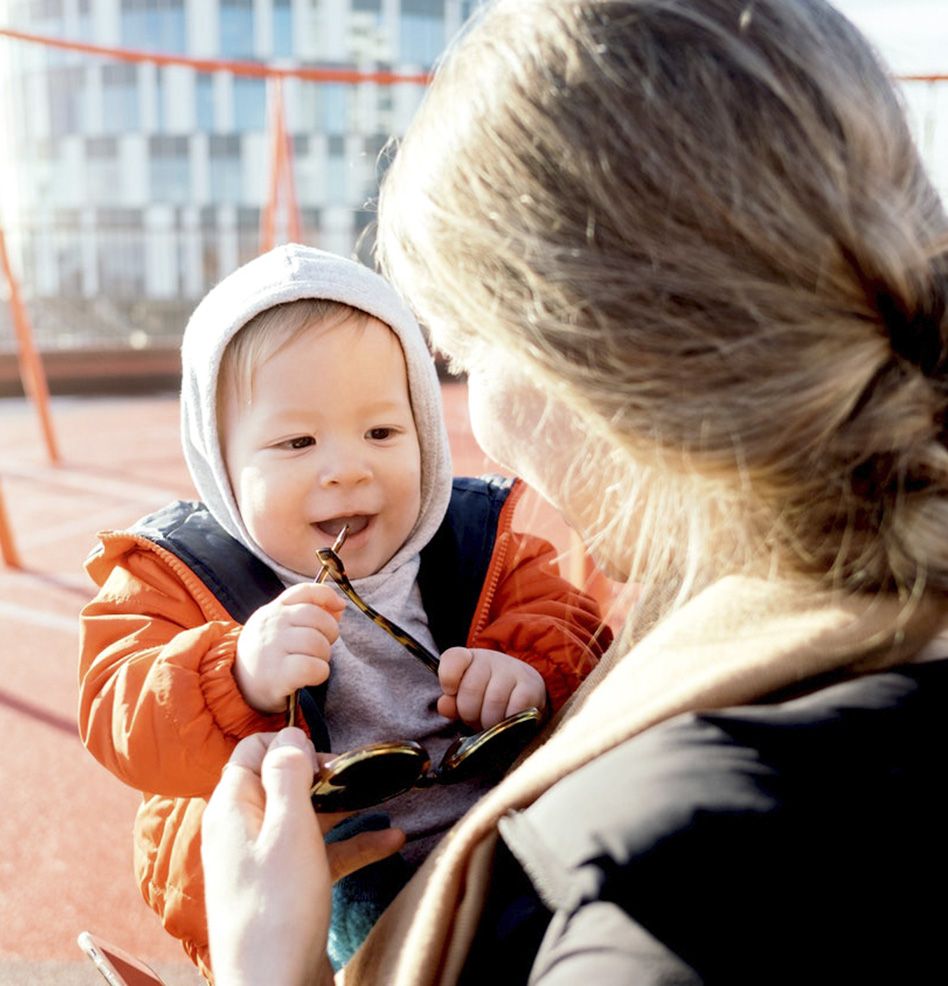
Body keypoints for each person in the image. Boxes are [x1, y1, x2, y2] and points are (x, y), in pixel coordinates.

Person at [200, 0, 948, 983]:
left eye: (467, 353)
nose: (474, 419)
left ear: (591, 366)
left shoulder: (659, 897)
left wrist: (268, 969)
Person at [77, 244, 610, 977]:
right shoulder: (177, 575)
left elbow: (576, 627)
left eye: (382, 433)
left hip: (495, 834)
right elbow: (118, 713)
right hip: (321, 875)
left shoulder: (477, 543)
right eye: (297, 441)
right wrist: (232, 673)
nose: (347, 466)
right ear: (221, 463)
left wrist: (529, 670)